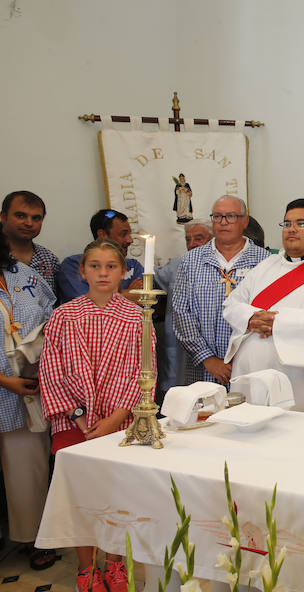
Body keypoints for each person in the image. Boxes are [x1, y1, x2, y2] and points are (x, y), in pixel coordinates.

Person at [39, 238, 151, 592]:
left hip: (120, 422)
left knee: (117, 493)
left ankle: (114, 562)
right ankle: (86, 567)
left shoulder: (137, 316)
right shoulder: (63, 316)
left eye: (111, 266)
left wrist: (117, 417)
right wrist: (78, 416)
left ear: (123, 272)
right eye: (95, 266)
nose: (103, 273)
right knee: (81, 494)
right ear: (82, 271)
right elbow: (51, 369)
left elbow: (143, 371)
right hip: (74, 422)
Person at [223, 199, 304, 414]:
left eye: (301, 223)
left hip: (303, 383)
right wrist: (250, 317)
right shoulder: (267, 265)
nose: (291, 229)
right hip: (252, 376)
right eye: (287, 224)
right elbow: (232, 304)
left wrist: (280, 322)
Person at [0, 229, 56, 570]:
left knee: (28, 470)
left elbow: (53, 315)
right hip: (6, 384)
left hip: (29, 386)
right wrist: (5, 380)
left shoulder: (23, 274)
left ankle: (34, 538)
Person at [172, 195, 269, 386]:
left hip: (250, 365)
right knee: (204, 414)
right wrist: (208, 359)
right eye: (217, 216)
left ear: (245, 222)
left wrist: (241, 359)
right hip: (202, 368)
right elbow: (181, 313)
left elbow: (268, 314)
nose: (223, 222)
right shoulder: (190, 261)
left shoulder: (265, 261)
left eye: (231, 216)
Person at [154, 220, 212, 394]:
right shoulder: (178, 265)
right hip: (182, 346)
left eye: (198, 238)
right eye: (188, 239)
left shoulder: (223, 266)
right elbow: (151, 279)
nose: (192, 244)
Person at [57, 209, 143, 305]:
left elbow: (147, 299)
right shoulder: (74, 265)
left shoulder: (134, 266)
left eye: (129, 234)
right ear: (102, 235)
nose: (130, 240)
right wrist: (128, 293)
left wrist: (103, 296)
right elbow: (85, 304)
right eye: (123, 234)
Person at [0, 190, 60, 290]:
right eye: (20, 216)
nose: (29, 223)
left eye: (36, 218)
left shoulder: (49, 259)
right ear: (3, 217)